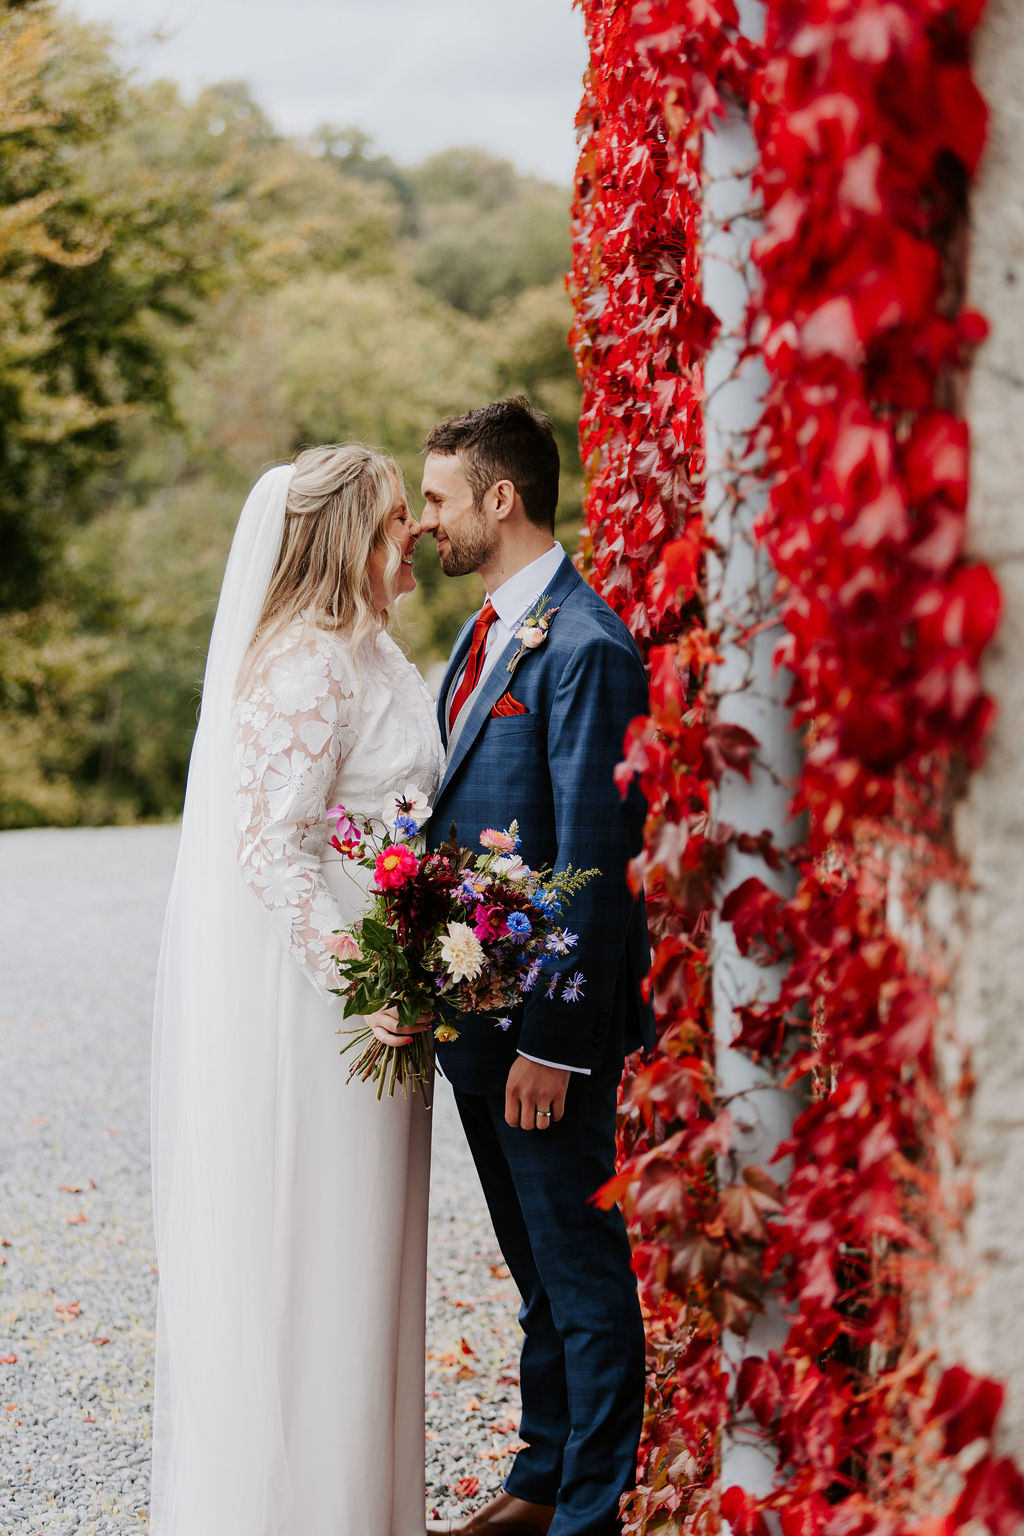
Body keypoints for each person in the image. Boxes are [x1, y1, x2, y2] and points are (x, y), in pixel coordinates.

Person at [150, 445, 443, 1536]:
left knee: (371, 1263)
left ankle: (366, 1503)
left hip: (386, 987)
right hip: (332, 1007)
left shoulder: (370, 653)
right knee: (326, 1251)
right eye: (394, 519)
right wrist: (361, 982)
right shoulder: (306, 662)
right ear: (346, 542)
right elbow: (269, 848)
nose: (411, 534)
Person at [419, 396, 655, 1536]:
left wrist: (556, 1043)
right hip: (478, 1016)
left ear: (499, 500)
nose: (426, 524)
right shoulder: (483, 633)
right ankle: (541, 1477)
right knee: (534, 1271)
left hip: (543, 1033)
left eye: (437, 500)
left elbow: (596, 862)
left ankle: (590, 1515)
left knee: (582, 1273)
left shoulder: (586, 646)